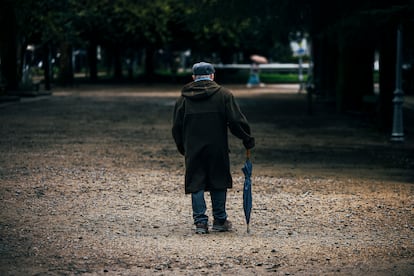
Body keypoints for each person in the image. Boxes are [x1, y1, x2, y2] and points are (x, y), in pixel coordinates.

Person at [172, 62, 255, 234]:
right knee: (218, 180)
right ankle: (219, 220)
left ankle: (200, 222)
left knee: (196, 182)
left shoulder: (184, 99)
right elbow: (236, 122)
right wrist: (246, 138)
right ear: (212, 76)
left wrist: (182, 147)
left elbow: (176, 127)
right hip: (217, 147)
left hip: (193, 147)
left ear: (193, 77)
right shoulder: (224, 95)